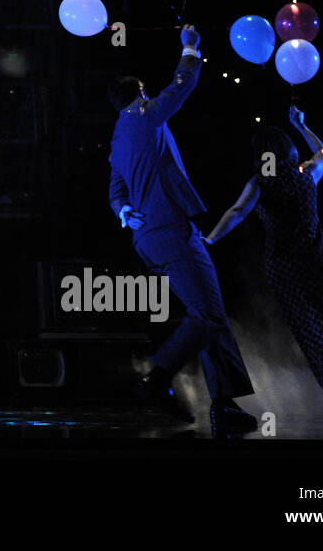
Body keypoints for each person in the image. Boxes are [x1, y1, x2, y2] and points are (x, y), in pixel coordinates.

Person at [107, 25, 258, 434]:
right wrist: (190, 48)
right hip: (169, 230)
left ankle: (224, 405)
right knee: (206, 315)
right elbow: (180, 87)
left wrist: (123, 211)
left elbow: (115, 188)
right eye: (144, 90)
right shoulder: (141, 115)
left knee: (211, 315)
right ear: (138, 94)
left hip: (158, 234)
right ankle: (156, 379)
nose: (149, 94)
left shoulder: (119, 136)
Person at [202, 108, 323, 427]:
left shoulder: (260, 183)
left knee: (313, 337)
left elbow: (238, 211)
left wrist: (211, 239)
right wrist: (301, 125)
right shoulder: (307, 172)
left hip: (288, 270)